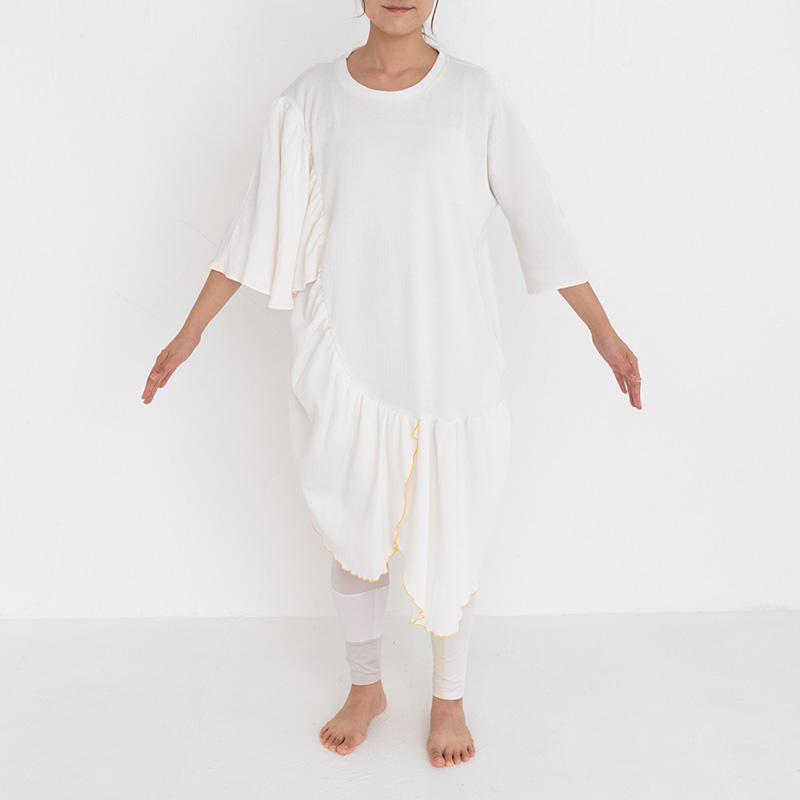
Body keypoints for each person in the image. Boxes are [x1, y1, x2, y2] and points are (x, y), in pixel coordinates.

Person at [141, 0, 642, 769]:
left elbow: (538, 217)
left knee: (456, 526)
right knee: (354, 530)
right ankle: (366, 685)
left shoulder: (474, 95)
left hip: (451, 355)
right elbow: (255, 227)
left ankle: (449, 697)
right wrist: (190, 331)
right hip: (349, 354)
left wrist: (603, 332)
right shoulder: (311, 98)